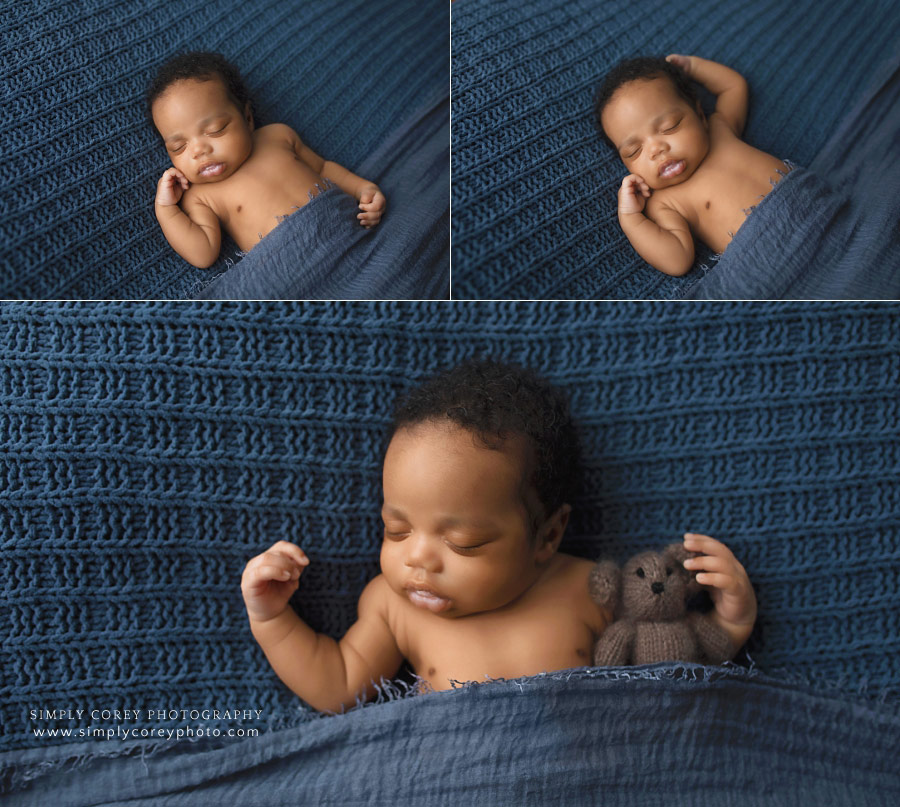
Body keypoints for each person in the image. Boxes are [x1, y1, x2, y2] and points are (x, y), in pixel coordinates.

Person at [241, 359, 757, 712]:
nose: (417, 558)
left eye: (463, 544)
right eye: (395, 530)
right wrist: (272, 618)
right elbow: (337, 685)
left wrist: (730, 622)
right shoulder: (393, 606)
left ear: (547, 535)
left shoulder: (587, 588)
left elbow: (666, 664)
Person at [147, 51, 386, 268]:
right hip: (293, 269)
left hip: (349, 232)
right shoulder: (201, 195)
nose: (199, 150)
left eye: (216, 129)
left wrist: (363, 188)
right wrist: (166, 209)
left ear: (247, 118)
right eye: (179, 147)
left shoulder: (278, 136)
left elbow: (323, 168)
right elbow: (203, 254)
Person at [595, 54, 792, 276]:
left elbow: (733, 87)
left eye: (670, 126)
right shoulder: (664, 201)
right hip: (774, 260)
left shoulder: (720, 129)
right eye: (634, 151)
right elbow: (677, 262)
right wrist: (630, 218)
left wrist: (693, 67)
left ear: (700, 115)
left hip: (814, 205)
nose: (656, 150)